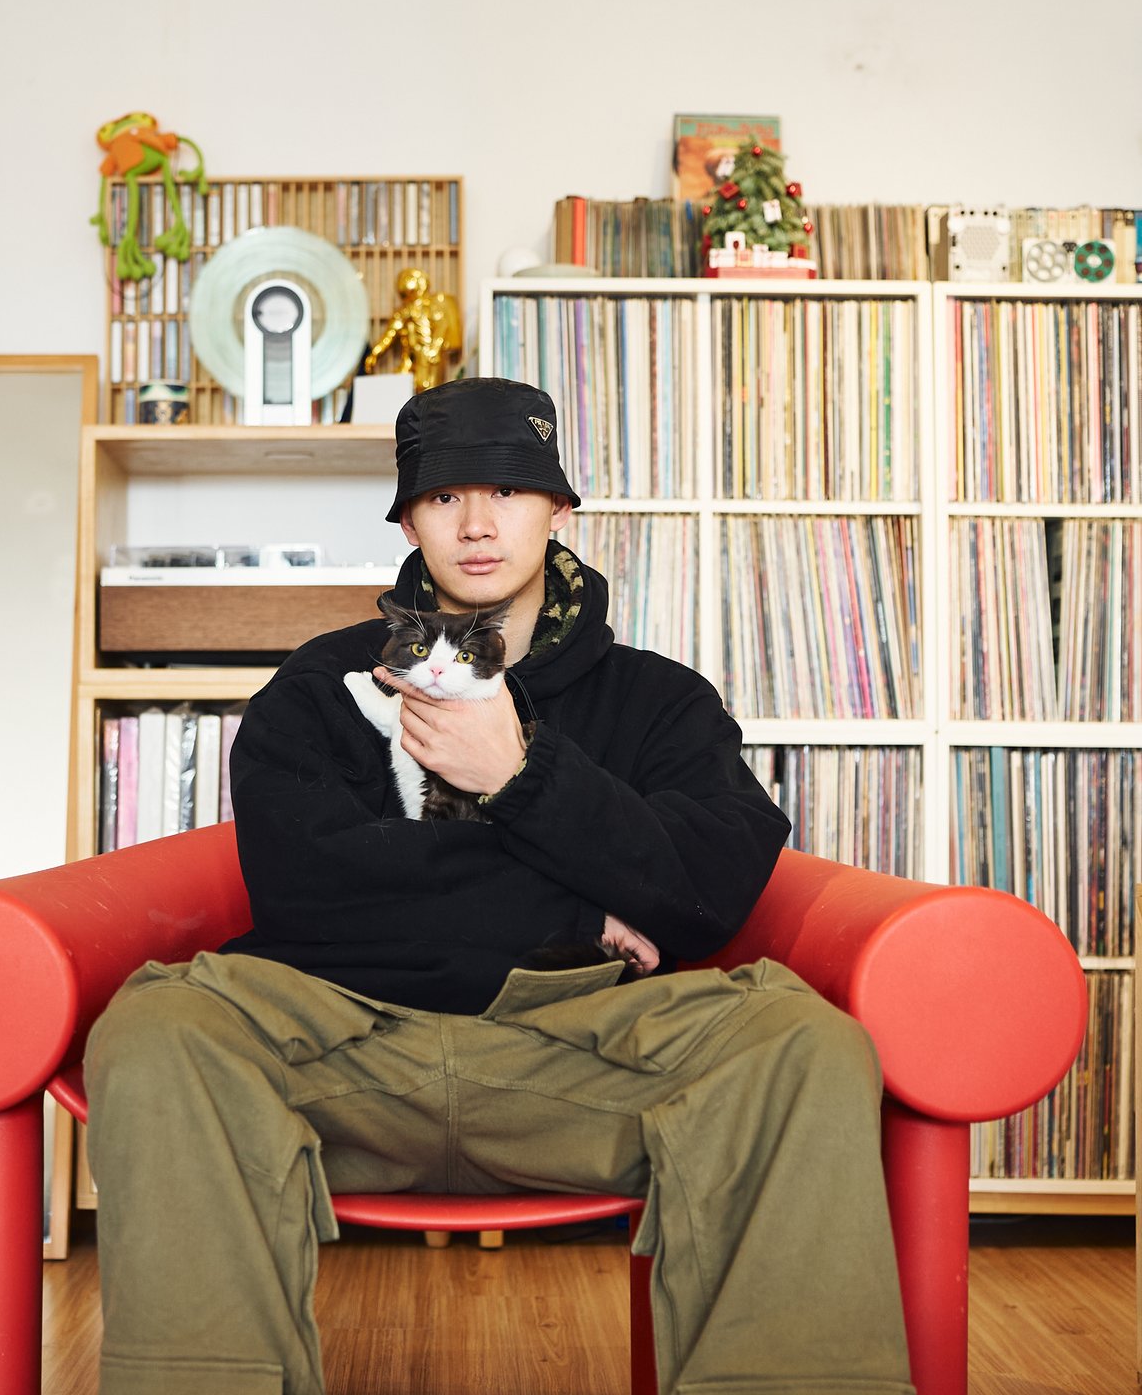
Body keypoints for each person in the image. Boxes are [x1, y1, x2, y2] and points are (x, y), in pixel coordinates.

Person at [86, 377, 914, 1395]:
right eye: (442, 497)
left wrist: (522, 777)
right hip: (343, 1046)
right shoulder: (320, 684)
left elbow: (708, 886)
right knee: (159, 1024)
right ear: (406, 518)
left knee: (801, 1041)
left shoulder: (658, 700)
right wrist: (578, 907)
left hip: (582, 1053)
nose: (476, 523)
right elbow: (307, 888)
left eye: (508, 492)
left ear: (557, 509)